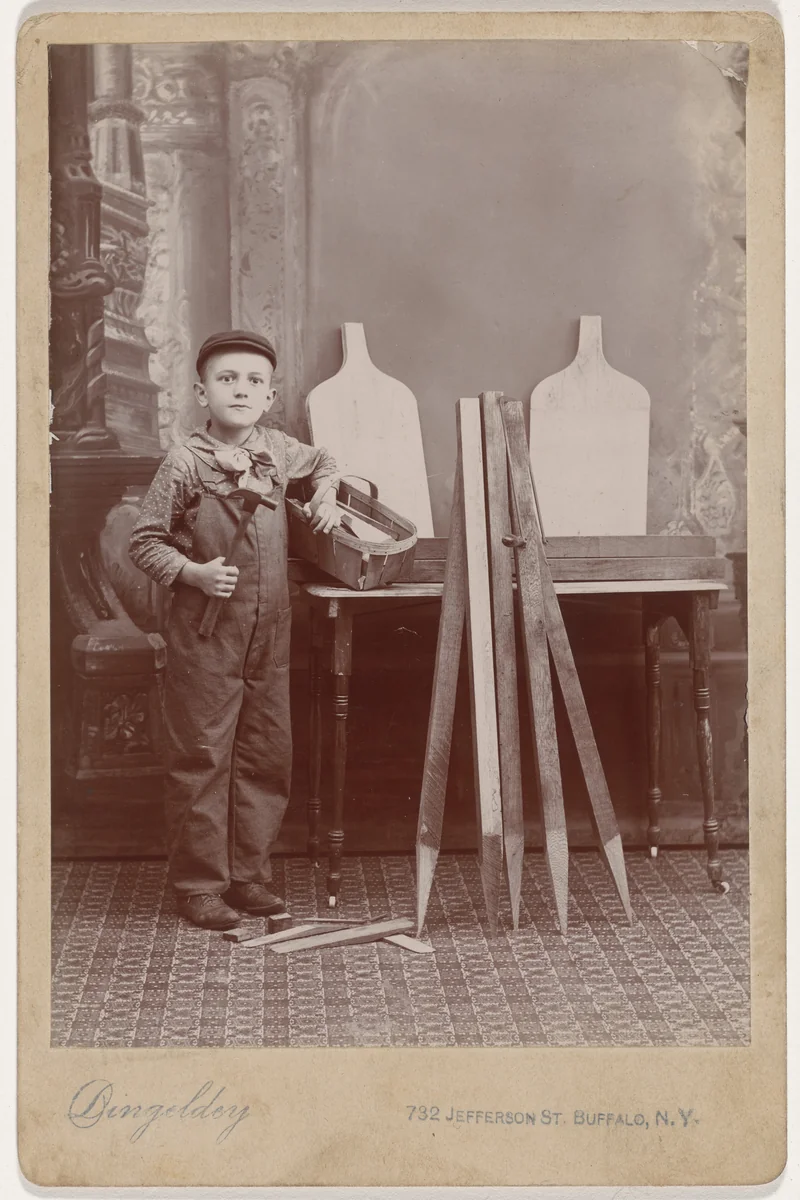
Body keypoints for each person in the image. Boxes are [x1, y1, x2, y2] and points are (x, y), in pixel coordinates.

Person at [129, 330, 341, 930]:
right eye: (227, 379)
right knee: (202, 756)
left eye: (254, 380)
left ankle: (248, 877)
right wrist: (192, 572)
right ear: (202, 392)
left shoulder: (277, 448)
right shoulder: (183, 462)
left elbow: (325, 461)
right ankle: (199, 885)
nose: (241, 389)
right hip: (204, 633)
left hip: (271, 631)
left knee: (265, 755)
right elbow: (143, 543)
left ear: (270, 395)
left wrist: (323, 493)